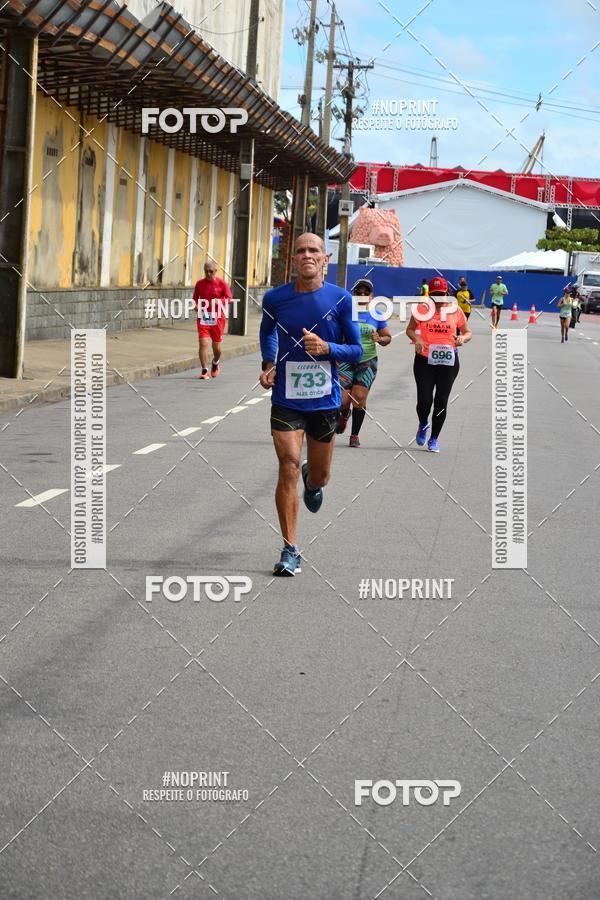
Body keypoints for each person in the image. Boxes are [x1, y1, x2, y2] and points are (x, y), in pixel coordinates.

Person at [259, 232, 362, 577]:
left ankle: (312, 480)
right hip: (286, 397)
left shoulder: (341, 299)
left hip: (324, 400)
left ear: (325, 259)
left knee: (320, 476)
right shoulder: (275, 299)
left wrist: (328, 349)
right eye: (301, 250)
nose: (307, 255)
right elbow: (267, 331)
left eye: (313, 250)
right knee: (287, 462)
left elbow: (357, 349)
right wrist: (268, 362)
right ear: (293, 259)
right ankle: (290, 549)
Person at [406, 276, 473, 453]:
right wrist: (417, 338)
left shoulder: (455, 310)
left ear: (447, 294)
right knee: (424, 400)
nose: (438, 300)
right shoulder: (422, 309)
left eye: (441, 295)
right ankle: (423, 423)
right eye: (434, 295)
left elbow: (468, 332)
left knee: (441, 401)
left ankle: (434, 438)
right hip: (424, 360)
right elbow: (410, 329)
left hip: (448, 362)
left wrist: (462, 338)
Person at [336, 278, 392, 447]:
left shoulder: (376, 314)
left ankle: (354, 435)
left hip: (367, 361)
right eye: (358, 292)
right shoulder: (344, 313)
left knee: (359, 397)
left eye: (365, 293)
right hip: (346, 359)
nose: (361, 295)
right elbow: (335, 336)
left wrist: (380, 338)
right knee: (343, 401)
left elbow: (387, 338)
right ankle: (344, 414)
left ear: (371, 296)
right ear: (353, 294)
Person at [193, 261, 233, 379]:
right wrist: (195, 305)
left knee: (216, 347)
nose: (208, 274)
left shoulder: (222, 283)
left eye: (211, 271)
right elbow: (195, 297)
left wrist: (219, 301)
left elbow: (229, 298)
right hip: (203, 317)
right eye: (206, 271)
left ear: (215, 271)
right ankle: (204, 370)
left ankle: (215, 362)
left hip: (218, 318)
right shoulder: (200, 284)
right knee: (203, 343)